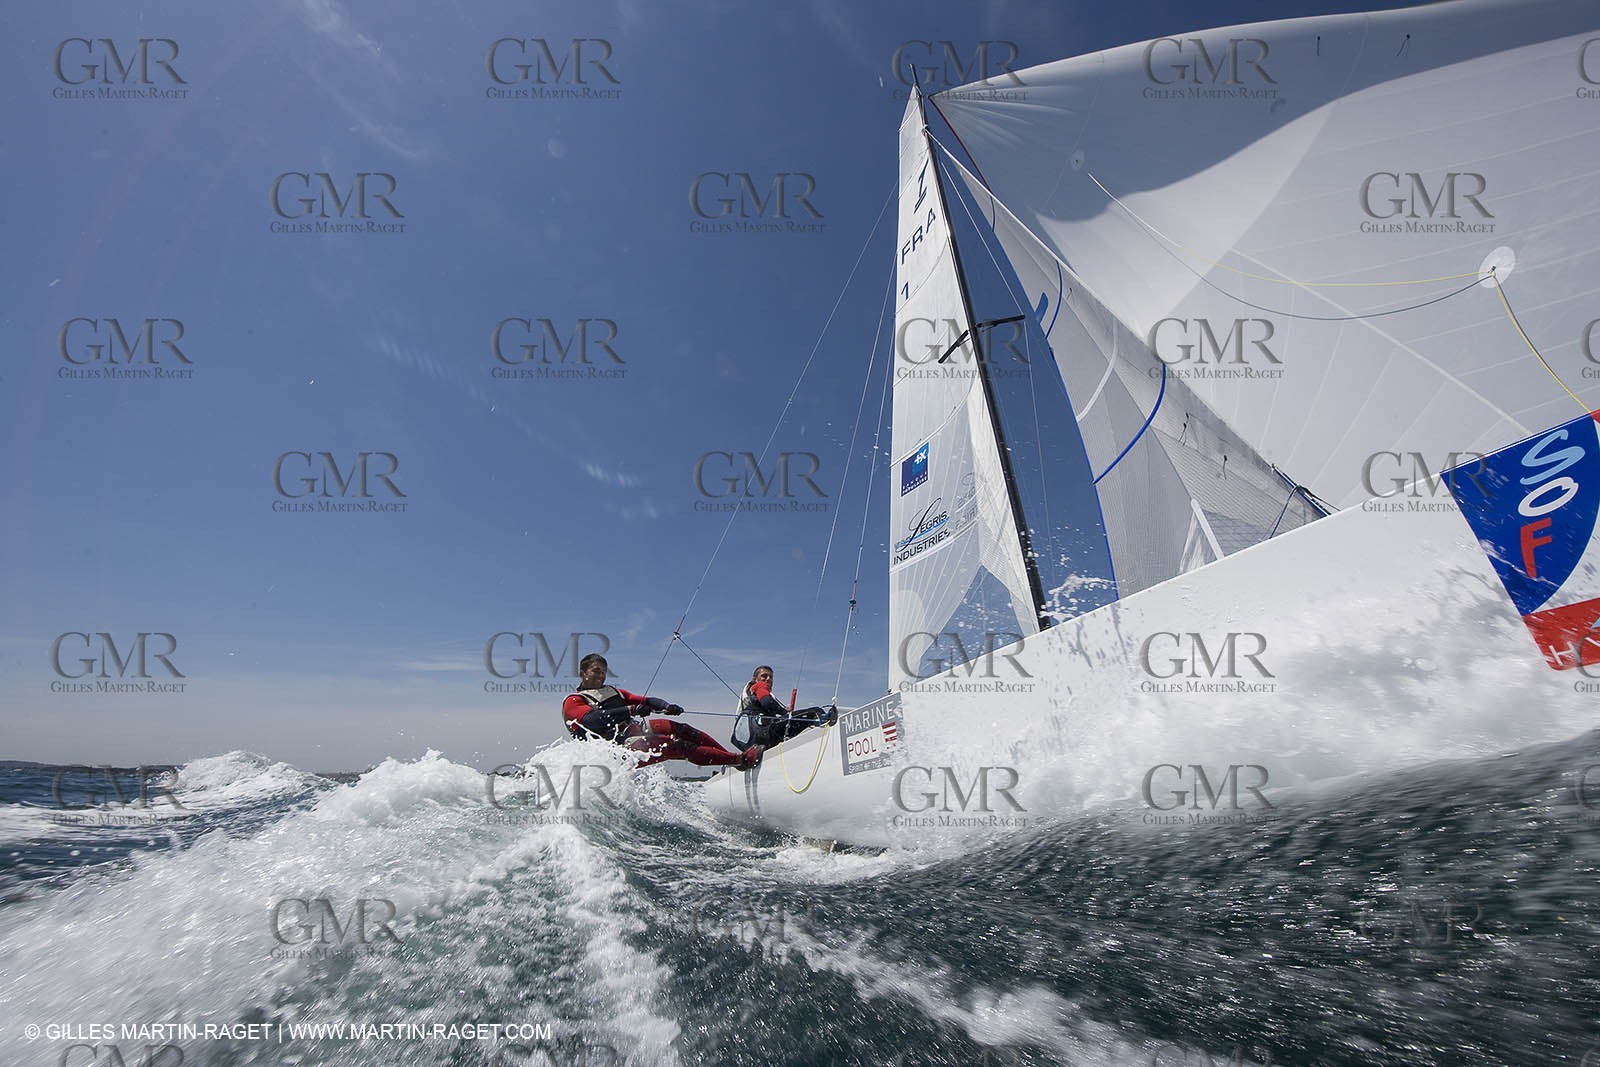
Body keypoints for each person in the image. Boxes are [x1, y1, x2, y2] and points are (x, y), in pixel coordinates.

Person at [563, 654, 760, 770]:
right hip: (615, 752)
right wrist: (630, 710)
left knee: (682, 729)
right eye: (596, 671)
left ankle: (730, 758)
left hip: (632, 732)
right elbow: (592, 720)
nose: (601, 675)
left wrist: (666, 706)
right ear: (582, 673)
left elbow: (647, 701)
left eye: (604, 671)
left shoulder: (614, 692)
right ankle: (739, 760)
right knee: (679, 746)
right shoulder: (574, 701)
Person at [732, 666, 837, 750]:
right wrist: (784, 712)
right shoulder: (759, 686)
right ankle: (827, 723)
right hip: (763, 734)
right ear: (755, 679)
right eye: (764, 676)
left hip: (752, 740)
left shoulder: (748, 693)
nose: (768, 679)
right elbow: (767, 703)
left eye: (771, 677)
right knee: (815, 712)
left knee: (789, 723)